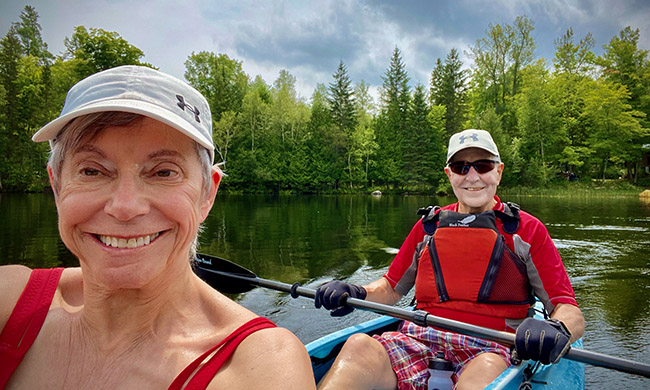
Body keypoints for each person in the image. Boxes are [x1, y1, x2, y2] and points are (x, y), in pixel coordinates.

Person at [0, 65, 315, 390]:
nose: (124, 207)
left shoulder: (258, 367)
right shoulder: (9, 299)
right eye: (92, 171)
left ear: (207, 194)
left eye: (163, 172)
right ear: (57, 187)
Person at [313, 129, 585, 390]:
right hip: (418, 338)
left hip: (492, 346)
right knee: (359, 346)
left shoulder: (526, 230)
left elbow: (569, 310)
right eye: (461, 167)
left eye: (483, 165)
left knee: (486, 369)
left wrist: (557, 327)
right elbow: (391, 288)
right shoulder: (428, 226)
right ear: (449, 175)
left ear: (498, 172)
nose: (472, 176)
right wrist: (355, 291)